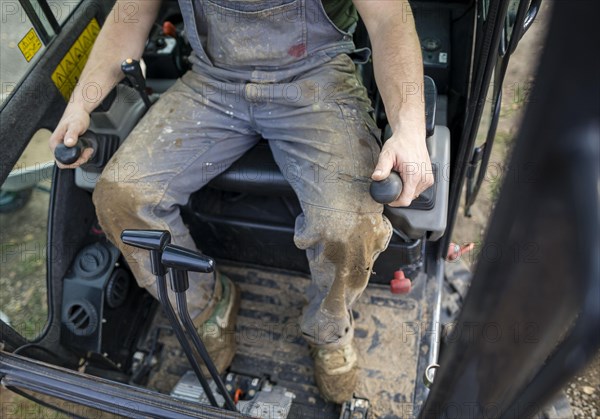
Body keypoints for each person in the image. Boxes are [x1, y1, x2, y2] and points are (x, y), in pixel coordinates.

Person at [49, 0, 433, 404]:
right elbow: (131, 14)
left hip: (314, 78)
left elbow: (390, 17)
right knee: (120, 196)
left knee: (350, 225)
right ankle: (207, 306)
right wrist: (80, 103)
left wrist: (408, 128)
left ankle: (328, 329)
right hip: (213, 81)